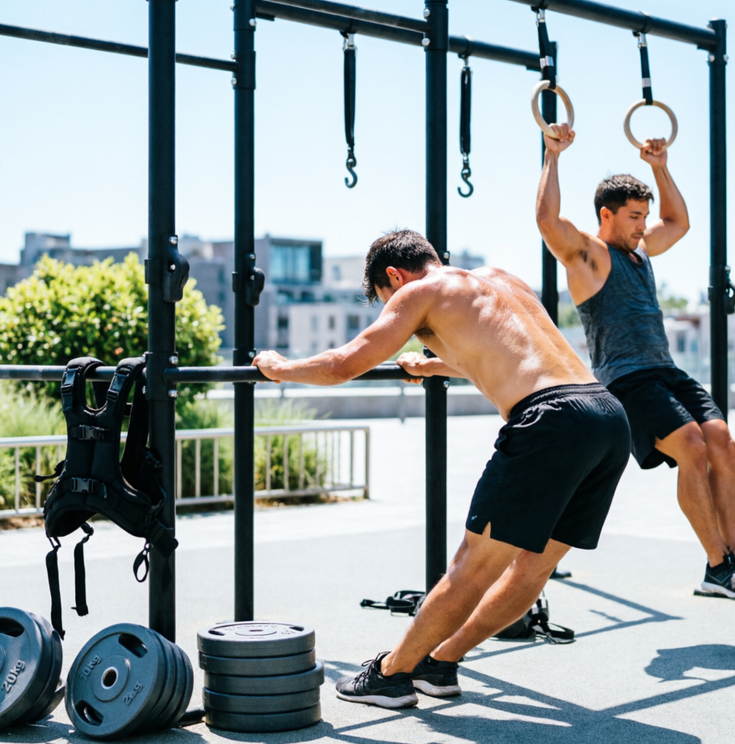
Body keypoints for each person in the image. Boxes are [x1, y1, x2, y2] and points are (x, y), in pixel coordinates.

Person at [253, 229, 631, 708]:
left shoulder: (419, 292)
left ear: (394, 276)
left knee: (471, 566)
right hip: (604, 414)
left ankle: (392, 673)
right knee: (532, 569)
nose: (396, 311)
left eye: (387, 299)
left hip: (551, 423)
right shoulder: (498, 280)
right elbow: (504, 352)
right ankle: (441, 661)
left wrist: (278, 367)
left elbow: (345, 364)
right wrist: (432, 365)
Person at [535, 123, 735, 599]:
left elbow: (679, 222)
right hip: (626, 380)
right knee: (691, 445)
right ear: (606, 216)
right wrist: (553, 157)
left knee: (722, 444)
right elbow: (548, 223)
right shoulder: (588, 256)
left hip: (666, 371)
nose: (641, 224)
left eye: (643, 215)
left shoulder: (641, 249)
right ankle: (717, 567)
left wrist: (660, 167)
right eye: (633, 216)